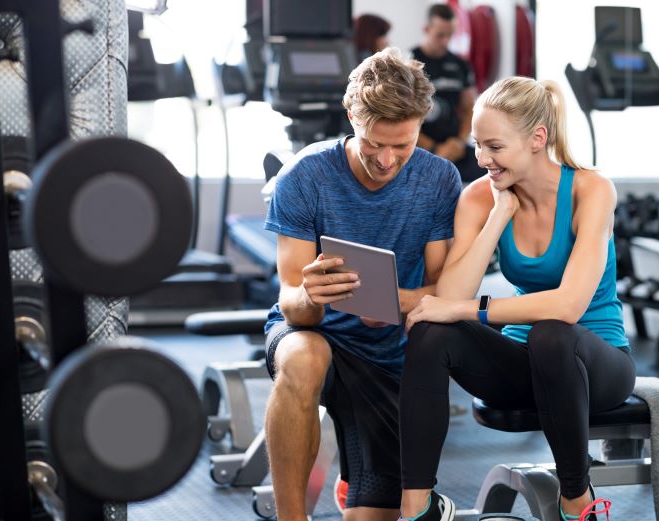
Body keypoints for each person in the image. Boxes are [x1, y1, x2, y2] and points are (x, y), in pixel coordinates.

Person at [397, 77, 635, 521]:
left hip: (594, 364)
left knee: (551, 333)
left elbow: (567, 307)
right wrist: (497, 216)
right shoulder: (478, 197)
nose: (482, 158)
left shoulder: (591, 190)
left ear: (536, 139)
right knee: (431, 332)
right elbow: (449, 298)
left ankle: (577, 501)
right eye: (477, 145)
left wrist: (469, 310)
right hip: (521, 363)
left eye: (494, 147)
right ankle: (418, 508)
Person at [262, 47, 461, 520]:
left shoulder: (438, 180)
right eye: (375, 142)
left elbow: (444, 287)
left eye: (403, 144)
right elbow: (290, 299)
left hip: (390, 353)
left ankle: (359, 480)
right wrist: (310, 297)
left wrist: (398, 303)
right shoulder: (305, 176)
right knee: (305, 357)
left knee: (373, 514)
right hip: (314, 335)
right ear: (352, 115)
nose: (388, 160)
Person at [411, 3, 483, 183]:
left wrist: (459, 142)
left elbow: (469, 108)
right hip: (419, 147)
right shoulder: (408, 63)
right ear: (427, 29)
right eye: (440, 35)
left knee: (487, 173)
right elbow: (400, 116)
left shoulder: (460, 65)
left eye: (449, 35)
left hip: (454, 146)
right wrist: (434, 148)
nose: (445, 41)